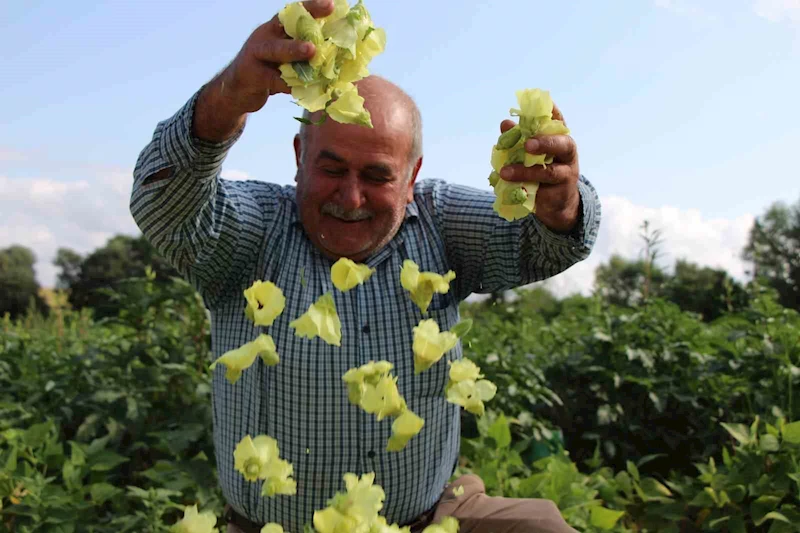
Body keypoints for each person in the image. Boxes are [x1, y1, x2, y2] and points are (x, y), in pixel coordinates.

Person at [129, 1, 600, 531]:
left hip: (427, 519)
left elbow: (549, 245)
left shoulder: (439, 221)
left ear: (411, 175)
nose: (350, 199)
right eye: (331, 168)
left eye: (377, 176)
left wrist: (560, 206)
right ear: (298, 156)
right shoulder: (253, 233)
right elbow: (161, 206)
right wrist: (226, 99)